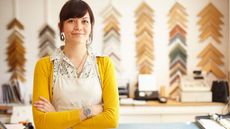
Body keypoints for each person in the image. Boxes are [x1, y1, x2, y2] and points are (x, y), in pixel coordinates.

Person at [32, 0, 119, 129]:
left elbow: (111, 120)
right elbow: (41, 123)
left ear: (91, 26)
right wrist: (88, 111)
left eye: (84, 21)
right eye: (71, 21)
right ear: (61, 26)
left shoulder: (104, 64)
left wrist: (57, 118)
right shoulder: (44, 66)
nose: (78, 26)